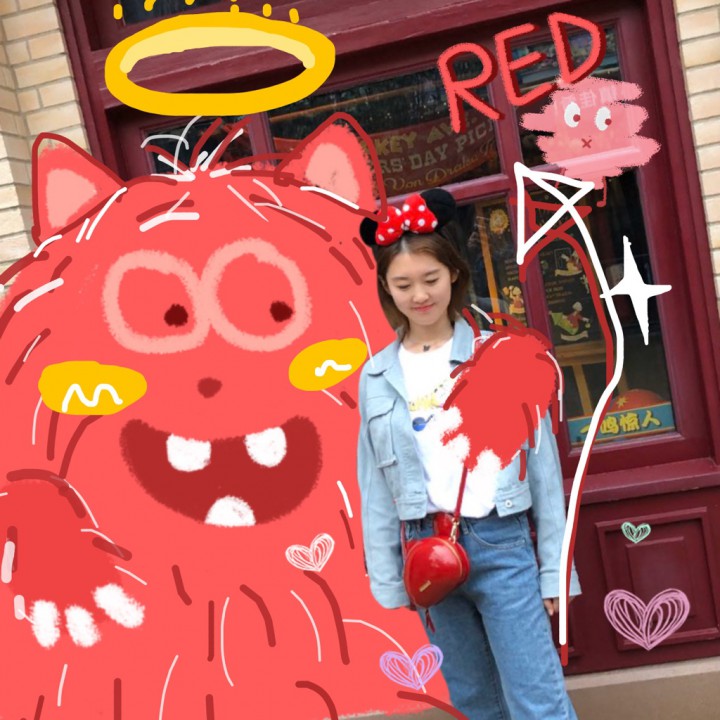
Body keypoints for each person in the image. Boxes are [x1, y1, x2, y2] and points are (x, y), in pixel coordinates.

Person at [356, 189, 581, 720]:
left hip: (502, 544)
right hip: (424, 551)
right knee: (475, 701)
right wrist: (387, 577)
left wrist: (555, 572)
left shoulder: (498, 357)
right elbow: (375, 488)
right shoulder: (376, 376)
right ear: (386, 288)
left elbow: (544, 472)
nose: (420, 295)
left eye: (430, 279)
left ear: (454, 273)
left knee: (537, 701)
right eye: (403, 285)